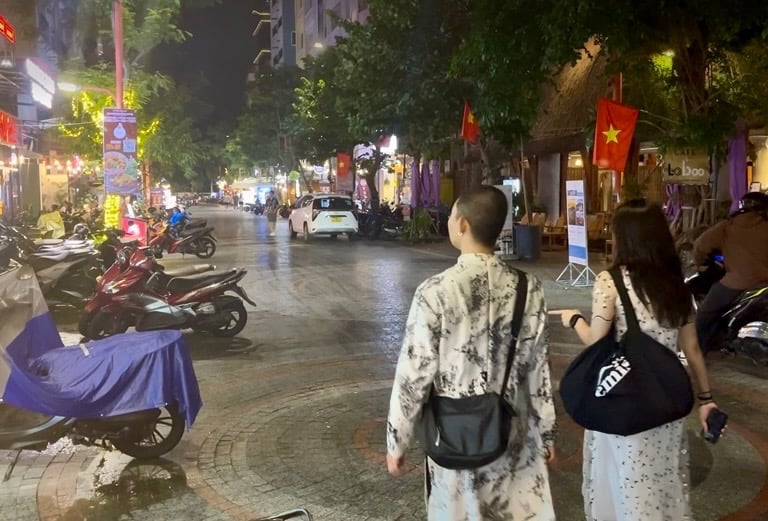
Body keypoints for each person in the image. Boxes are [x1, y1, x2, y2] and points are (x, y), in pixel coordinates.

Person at [386, 185, 556, 520]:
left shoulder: (435, 292)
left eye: (451, 216)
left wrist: (398, 440)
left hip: (454, 437)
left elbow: (414, 374)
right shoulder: (528, 288)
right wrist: (546, 430)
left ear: (462, 225)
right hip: (511, 433)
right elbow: (539, 368)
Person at [553, 199, 720, 521]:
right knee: (659, 483)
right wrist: (706, 400)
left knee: (622, 483)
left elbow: (596, 342)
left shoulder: (611, 282)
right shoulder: (677, 286)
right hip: (664, 401)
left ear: (624, 237)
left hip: (623, 399)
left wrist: (574, 320)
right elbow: (693, 348)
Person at [693, 191, 768, 352]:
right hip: (764, 283)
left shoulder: (727, 226)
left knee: (704, 314)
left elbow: (700, 246)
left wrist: (700, 264)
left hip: (737, 283)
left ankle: (699, 351)